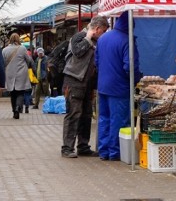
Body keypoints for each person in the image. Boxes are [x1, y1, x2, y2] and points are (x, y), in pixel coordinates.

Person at [95, 12, 142, 161]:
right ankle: (115, 152)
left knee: (104, 119)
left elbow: (96, 62)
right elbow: (130, 66)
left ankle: (103, 151)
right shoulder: (127, 40)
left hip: (103, 86)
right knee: (118, 121)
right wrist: (137, 79)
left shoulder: (102, 38)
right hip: (119, 88)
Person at [61, 16, 109, 158]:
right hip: (73, 81)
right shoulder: (78, 37)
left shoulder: (97, 42)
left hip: (87, 84)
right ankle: (67, 148)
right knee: (73, 114)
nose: (104, 34)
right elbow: (78, 52)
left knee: (86, 115)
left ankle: (83, 146)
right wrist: (88, 38)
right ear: (97, 29)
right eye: (104, 31)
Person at [2, 33, 35, 120]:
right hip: (21, 73)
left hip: (10, 73)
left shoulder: (4, 50)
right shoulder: (22, 48)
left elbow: (3, 63)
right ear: (18, 39)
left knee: (13, 94)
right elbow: (28, 60)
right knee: (20, 93)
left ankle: (14, 111)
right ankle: (18, 107)